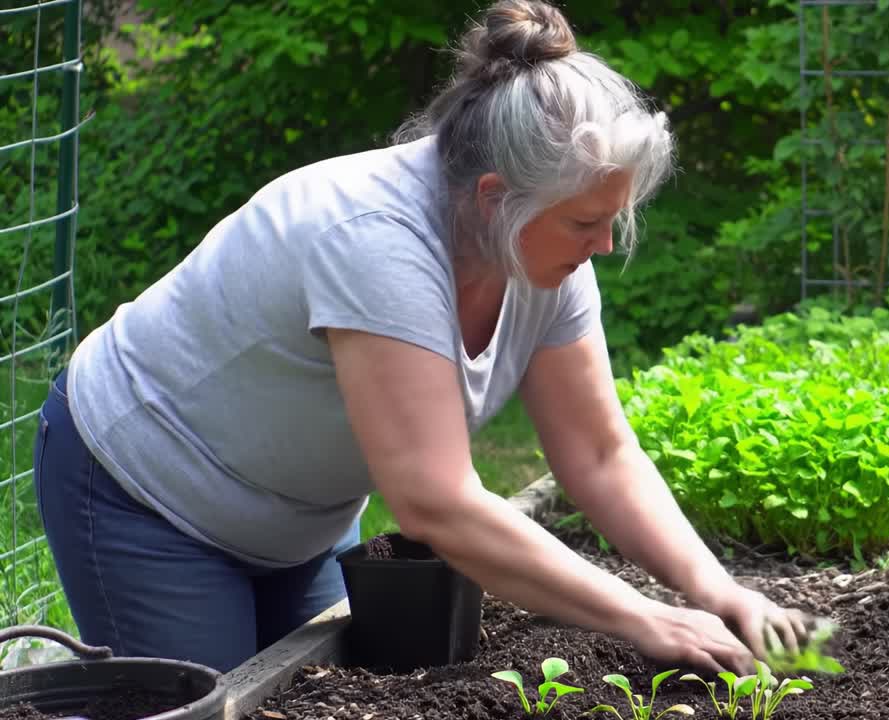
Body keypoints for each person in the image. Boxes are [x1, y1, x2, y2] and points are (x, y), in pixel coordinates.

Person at [32, 0, 813, 676]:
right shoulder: (375, 241)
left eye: (613, 218)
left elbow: (600, 454)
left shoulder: (544, 257)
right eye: (586, 222)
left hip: (295, 516)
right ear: (494, 198)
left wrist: (715, 590)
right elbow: (435, 500)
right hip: (146, 491)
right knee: (199, 706)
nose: (604, 246)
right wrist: (642, 617)